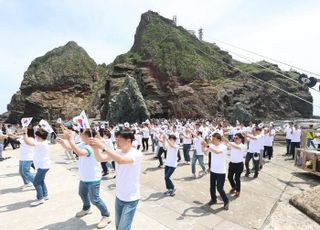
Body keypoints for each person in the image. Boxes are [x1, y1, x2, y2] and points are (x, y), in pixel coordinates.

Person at [57, 128, 111, 229]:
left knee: (95, 199)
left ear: (88, 136)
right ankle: (86, 208)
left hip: (93, 177)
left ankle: (106, 215)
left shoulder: (91, 147)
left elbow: (80, 153)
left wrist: (70, 140)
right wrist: (63, 143)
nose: (81, 135)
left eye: (82, 134)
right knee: (82, 193)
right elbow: (70, 148)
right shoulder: (83, 144)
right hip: (84, 177)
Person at [90, 128, 142, 230]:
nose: (116, 142)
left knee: (123, 228)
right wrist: (95, 148)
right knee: (118, 227)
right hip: (119, 197)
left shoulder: (136, 153)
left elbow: (121, 160)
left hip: (131, 198)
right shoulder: (117, 152)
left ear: (128, 141)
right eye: (116, 139)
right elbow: (100, 158)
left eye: (119, 140)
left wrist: (103, 147)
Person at [22, 127, 50, 207]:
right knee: (41, 181)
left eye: (36, 136)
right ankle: (45, 195)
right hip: (43, 166)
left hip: (43, 166)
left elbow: (27, 142)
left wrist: (25, 133)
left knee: (36, 182)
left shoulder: (41, 144)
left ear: (39, 137)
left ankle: (40, 198)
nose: (35, 137)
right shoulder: (43, 142)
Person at [205, 133, 229, 210]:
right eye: (212, 138)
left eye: (214, 139)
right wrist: (203, 146)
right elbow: (205, 152)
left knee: (219, 188)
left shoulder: (223, 147)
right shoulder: (212, 146)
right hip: (213, 170)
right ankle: (213, 199)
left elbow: (217, 152)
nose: (212, 140)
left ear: (218, 139)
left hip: (221, 171)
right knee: (212, 187)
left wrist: (208, 146)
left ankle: (226, 201)